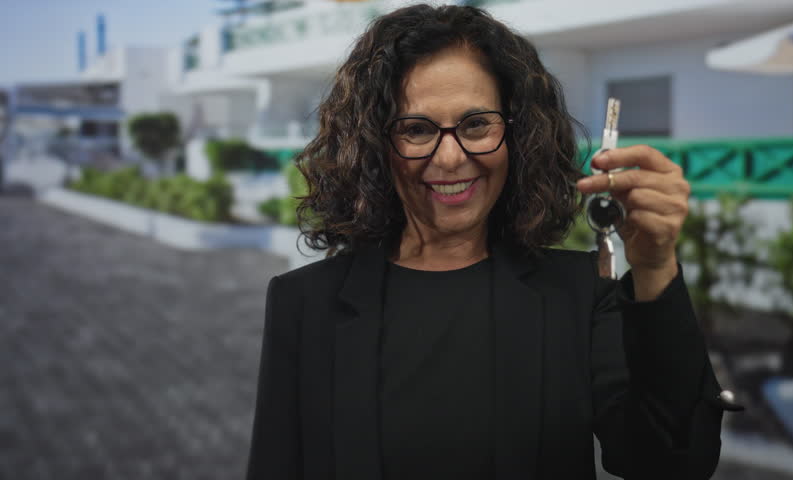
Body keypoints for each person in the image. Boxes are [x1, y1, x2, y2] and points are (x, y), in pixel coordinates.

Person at [246, 4, 741, 479]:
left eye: (476, 124)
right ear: (376, 145)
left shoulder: (582, 293)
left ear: (519, 133)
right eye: (416, 129)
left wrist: (654, 268)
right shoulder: (302, 303)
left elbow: (672, 464)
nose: (450, 159)